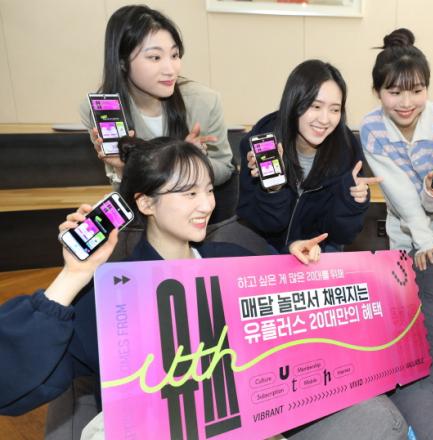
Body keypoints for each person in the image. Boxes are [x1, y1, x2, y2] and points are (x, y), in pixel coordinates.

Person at [0, 137, 325, 416]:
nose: (206, 205)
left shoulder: (230, 260)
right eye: (189, 194)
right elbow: (10, 385)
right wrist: (74, 274)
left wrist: (295, 258)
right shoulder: (114, 295)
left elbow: (290, 316)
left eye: (208, 190)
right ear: (146, 203)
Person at [79, 4, 237, 222]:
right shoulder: (104, 110)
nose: (170, 69)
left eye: (174, 55)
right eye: (155, 57)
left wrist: (193, 160)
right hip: (144, 215)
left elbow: (225, 169)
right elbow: (127, 195)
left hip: (199, 218)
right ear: (122, 62)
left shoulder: (204, 102)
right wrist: (124, 168)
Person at [360, 28, 433, 271]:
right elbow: (400, 194)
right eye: (394, 92)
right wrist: (424, 241)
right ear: (377, 92)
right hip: (404, 224)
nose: (406, 103)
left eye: (417, 91)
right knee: (405, 287)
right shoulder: (372, 129)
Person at [237, 59, 378, 253]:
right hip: (266, 249)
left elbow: (343, 236)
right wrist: (274, 188)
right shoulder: (263, 145)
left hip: (317, 249)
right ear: (294, 102)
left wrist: (353, 202)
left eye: (335, 109)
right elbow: (265, 225)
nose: (325, 119)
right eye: (315, 106)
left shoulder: (346, 149)